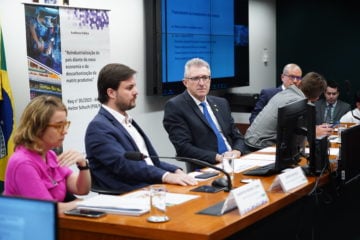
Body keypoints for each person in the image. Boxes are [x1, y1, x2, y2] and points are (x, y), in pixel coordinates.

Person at [85, 63, 197, 194]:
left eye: (135, 86)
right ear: (111, 93)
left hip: (150, 189)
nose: (136, 92)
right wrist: (166, 176)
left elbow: (150, 161)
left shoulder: (126, 121)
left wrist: (175, 170)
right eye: (129, 88)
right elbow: (124, 165)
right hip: (129, 195)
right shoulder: (98, 128)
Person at [4, 95, 91, 212]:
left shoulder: (49, 155)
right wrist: (82, 204)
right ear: (38, 127)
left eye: (65, 125)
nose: (65, 131)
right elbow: (46, 209)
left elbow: (81, 189)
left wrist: (83, 165)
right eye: (59, 126)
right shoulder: (22, 163)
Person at [163, 58, 249, 172]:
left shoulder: (221, 103)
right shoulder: (175, 106)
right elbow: (183, 148)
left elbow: (237, 136)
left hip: (236, 162)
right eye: (195, 78)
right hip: (208, 167)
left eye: (205, 77)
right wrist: (218, 157)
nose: (202, 83)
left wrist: (237, 151)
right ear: (185, 82)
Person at [244, 72, 328, 150]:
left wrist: (312, 130)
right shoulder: (299, 103)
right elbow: (295, 139)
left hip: (249, 140)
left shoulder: (285, 92)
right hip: (260, 146)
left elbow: (294, 128)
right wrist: (313, 132)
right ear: (317, 98)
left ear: (300, 82)